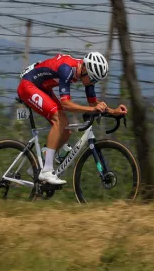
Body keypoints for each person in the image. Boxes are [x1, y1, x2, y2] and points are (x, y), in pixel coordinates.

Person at [17, 51, 127, 185]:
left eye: (96, 81)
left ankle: (38, 168)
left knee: (66, 130)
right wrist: (92, 109)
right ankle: (46, 171)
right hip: (29, 86)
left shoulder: (87, 74)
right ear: (85, 69)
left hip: (43, 88)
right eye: (92, 79)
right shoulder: (67, 69)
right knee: (60, 120)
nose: (92, 83)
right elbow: (66, 104)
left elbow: (93, 103)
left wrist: (113, 111)